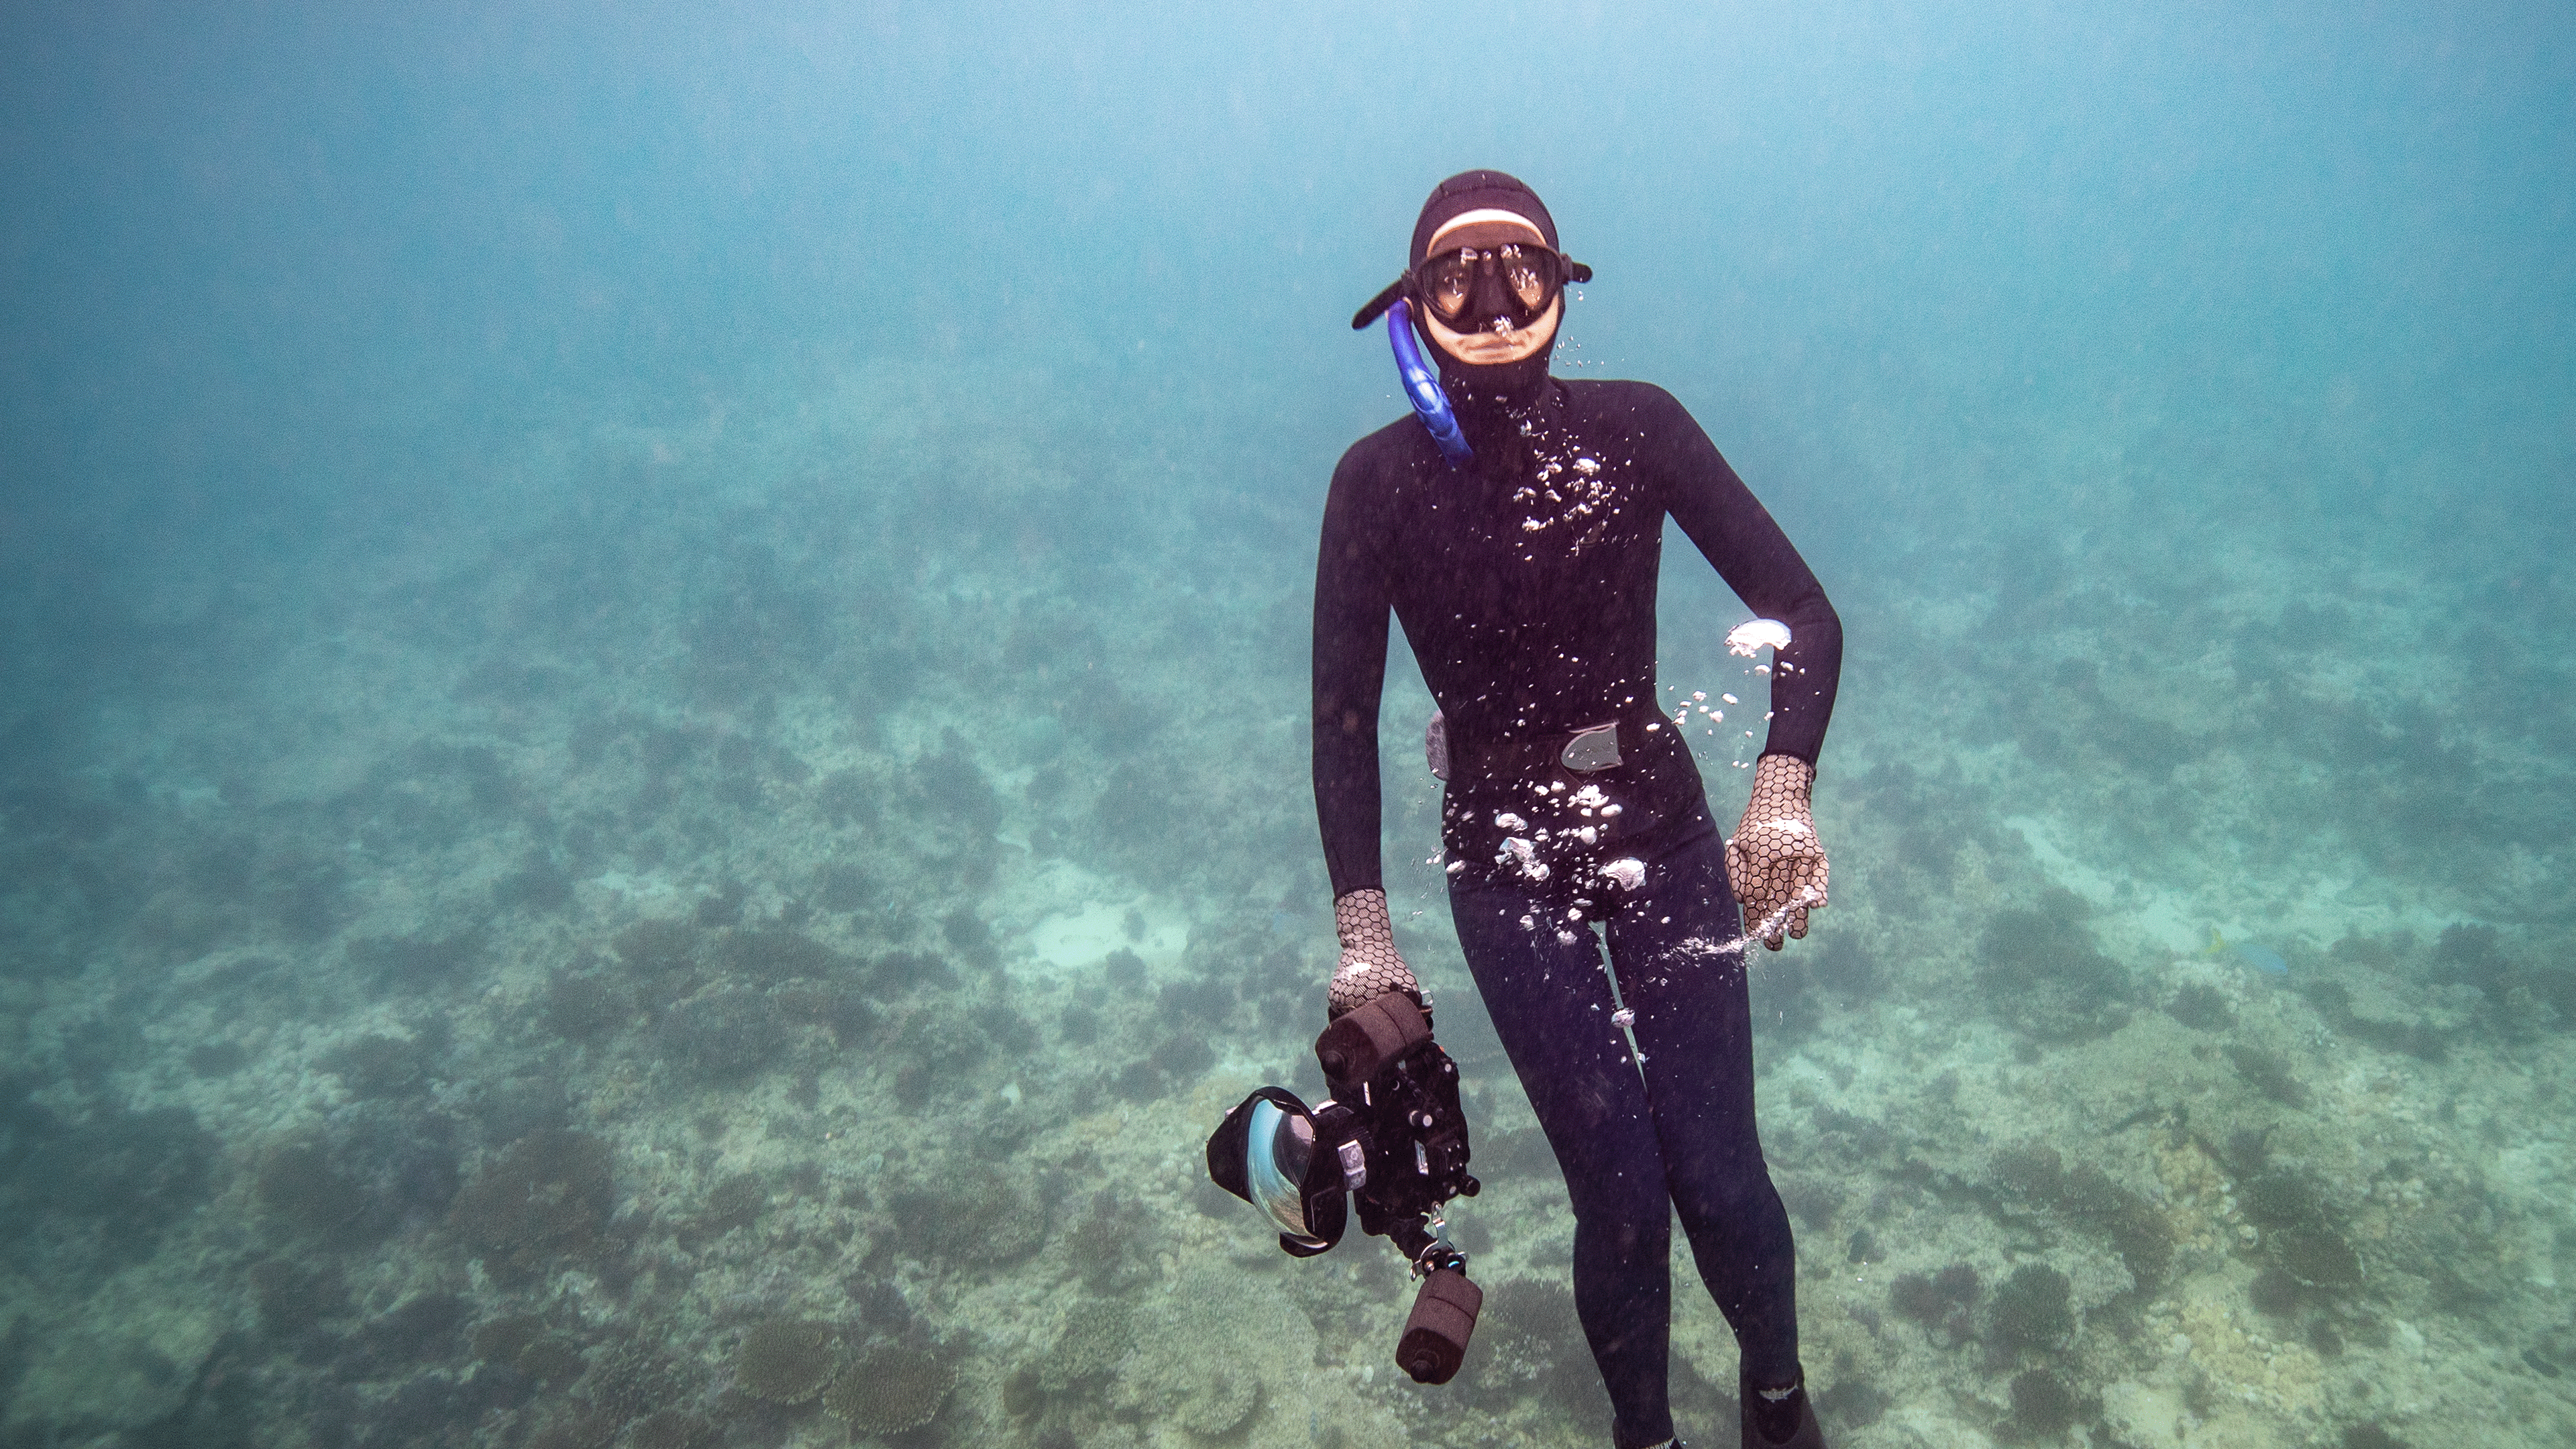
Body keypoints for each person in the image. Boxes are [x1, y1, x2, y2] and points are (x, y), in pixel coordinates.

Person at [1311, 170, 1841, 1449]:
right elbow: (1339, 723)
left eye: (1522, 270)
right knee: (1618, 1194)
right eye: (1455, 277)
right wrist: (1365, 934)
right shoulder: (1374, 483)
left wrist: (1781, 795)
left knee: (1717, 1175)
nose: (1492, 305)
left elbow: (1807, 616)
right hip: (1503, 868)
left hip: (1658, 833)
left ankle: (1779, 1405)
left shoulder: (1639, 428)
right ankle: (1644, 1439)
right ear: (1413, 305)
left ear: (1563, 284)